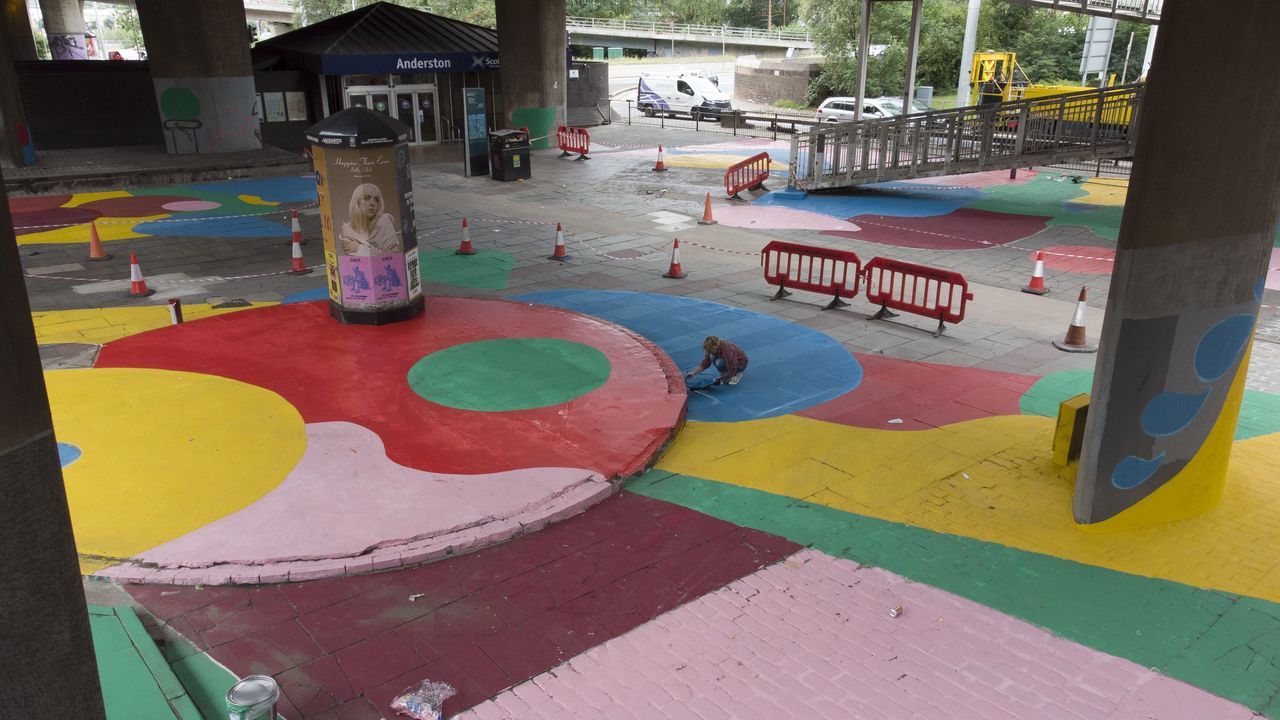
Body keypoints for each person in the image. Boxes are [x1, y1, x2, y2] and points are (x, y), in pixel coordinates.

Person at [339, 183, 399, 256]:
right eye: (367, 198)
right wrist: (380, 252)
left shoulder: (384, 221)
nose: (372, 203)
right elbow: (355, 262)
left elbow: (392, 255)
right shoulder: (347, 230)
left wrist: (359, 248)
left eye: (376, 200)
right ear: (356, 202)